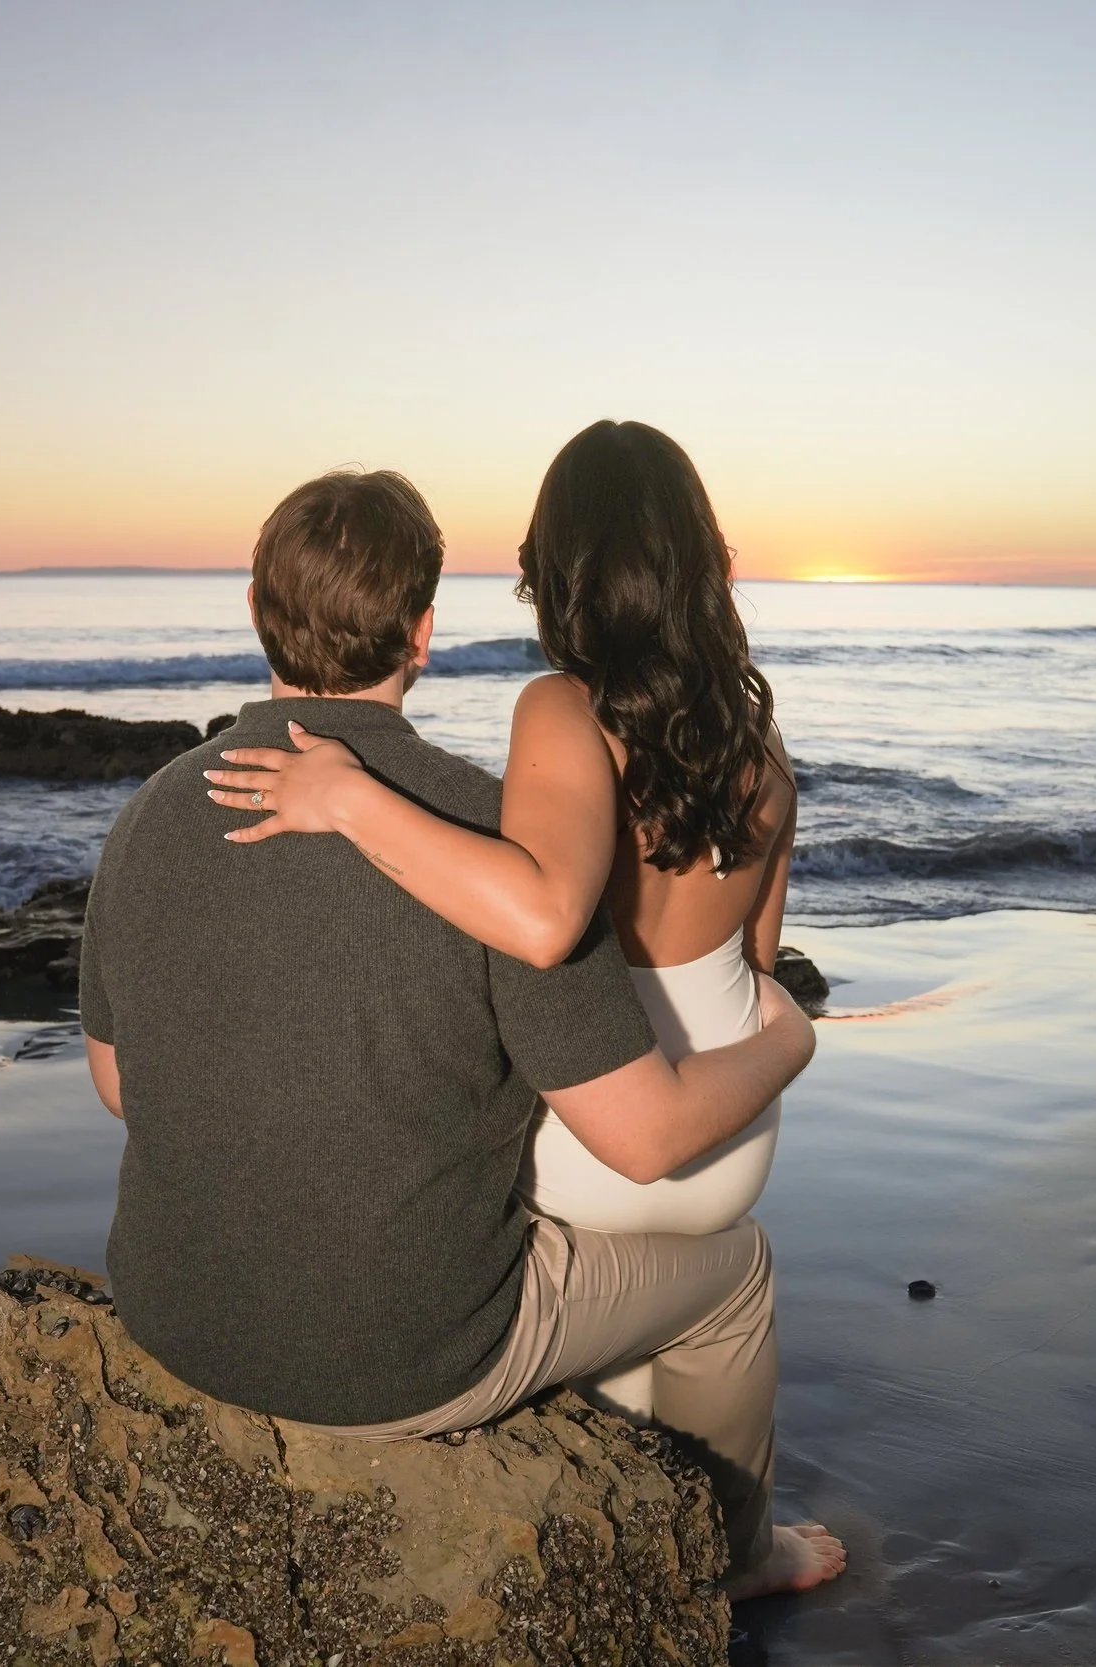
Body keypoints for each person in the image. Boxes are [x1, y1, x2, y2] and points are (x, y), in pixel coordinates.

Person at [79, 465, 845, 1598]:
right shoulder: (492, 851)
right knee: (726, 1275)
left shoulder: (149, 812)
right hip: (402, 1364)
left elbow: (121, 1086)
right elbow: (635, 1124)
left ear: (255, 610)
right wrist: (788, 1035)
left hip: (174, 1316)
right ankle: (732, 1556)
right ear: (425, 630)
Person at [201, 420, 796, 1420]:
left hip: (589, 1149)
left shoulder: (561, 709)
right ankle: (722, 1537)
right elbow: (759, 958)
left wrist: (351, 799)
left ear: (558, 573)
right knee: (691, 1289)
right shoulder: (761, 734)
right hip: (735, 1138)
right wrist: (787, 1038)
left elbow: (538, 909)